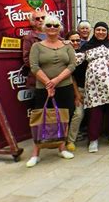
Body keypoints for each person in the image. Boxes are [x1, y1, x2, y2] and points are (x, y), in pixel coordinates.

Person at [27, 15, 75, 167]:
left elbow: (72, 65)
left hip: (65, 87)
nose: (52, 28)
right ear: (43, 28)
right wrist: (48, 83)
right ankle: (36, 153)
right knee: (41, 119)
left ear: (59, 27)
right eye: (49, 25)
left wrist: (56, 81)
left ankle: (61, 148)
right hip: (43, 88)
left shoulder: (67, 46)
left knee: (64, 117)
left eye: (55, 25)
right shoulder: (37, 46)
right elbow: (34, 66)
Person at [77, 22, 109, 153]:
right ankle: (93, 140)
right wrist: (64, 46)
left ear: (107, 32)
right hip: (93, 86)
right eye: (98, 30)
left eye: (103, 30)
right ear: (94, 31)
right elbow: (76, 59)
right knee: (94, 112)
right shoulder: (87, 46)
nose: (101, 32)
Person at [64, 31, 87, 152]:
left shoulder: (84, 52)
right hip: (75, 89)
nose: (75, 43)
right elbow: (71, 76)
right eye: (72, 40)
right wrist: (77, 94)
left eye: (78, 40)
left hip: (89, 88)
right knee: (78, 114)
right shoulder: (66, 55)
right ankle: (70, 141)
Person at [23, 10, 47, 90]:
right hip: (38, 80)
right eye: (37, 18)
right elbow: (27, 60)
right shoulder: (29, 37)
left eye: (43, 17)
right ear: (33, 22)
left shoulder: (54, 35)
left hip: (56, 78)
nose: (41, 20)